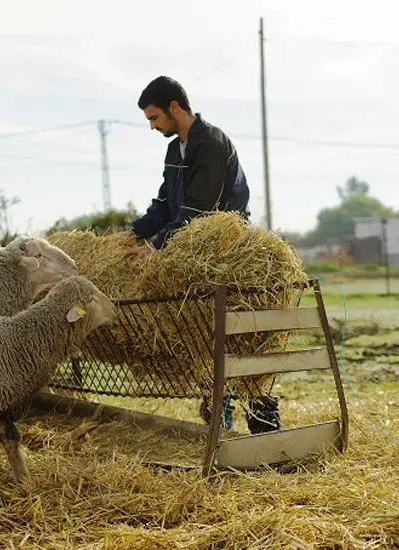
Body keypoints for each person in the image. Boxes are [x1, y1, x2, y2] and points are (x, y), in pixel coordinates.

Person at [124, 75, 281, 434]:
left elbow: (199, 211)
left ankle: (266, 431)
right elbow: (166, 203)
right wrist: (136, 231)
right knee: (206, 340)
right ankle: (220, 427)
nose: (152, 126)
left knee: (243, 341)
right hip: (193, 255)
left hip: (227, 253)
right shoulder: (174, 148)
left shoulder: (209, 143)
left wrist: (156, 247)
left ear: (174, 108)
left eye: (154, 117)